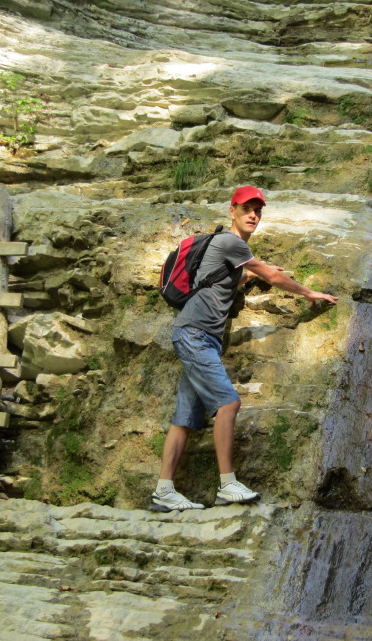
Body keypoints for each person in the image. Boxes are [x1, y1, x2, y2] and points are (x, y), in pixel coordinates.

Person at [150, 185, 339, 512]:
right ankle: (228, 484)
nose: (253, 215)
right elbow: (268, 274)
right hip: (195, 335)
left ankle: (164, 491)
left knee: (185, 417)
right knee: (228, 403)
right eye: (247, 209)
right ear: (232, 211)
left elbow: (231, 280)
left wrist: (249, 279)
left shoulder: (229, 251)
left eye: (258, 210)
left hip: (199, 336)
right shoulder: (230, 242)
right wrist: (309, 293)